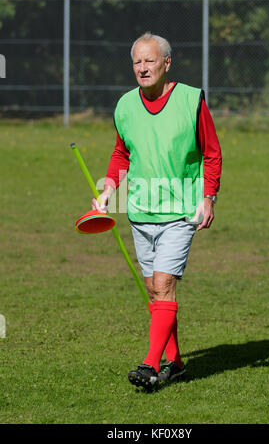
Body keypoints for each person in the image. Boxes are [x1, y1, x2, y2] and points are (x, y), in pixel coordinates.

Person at [92, 32, 222, 390]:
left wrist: (209, 196)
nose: (143, 68)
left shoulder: (191, 100)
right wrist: (108, 191)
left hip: (181, 210)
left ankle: (150, 364)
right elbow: (122, 153)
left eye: (150, 61)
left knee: (164, 284)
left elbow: (212, 153)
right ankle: (176, 363)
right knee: (154, 291)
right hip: (140, 211)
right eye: (137, 61)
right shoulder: (125, 106)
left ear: (167, 63)